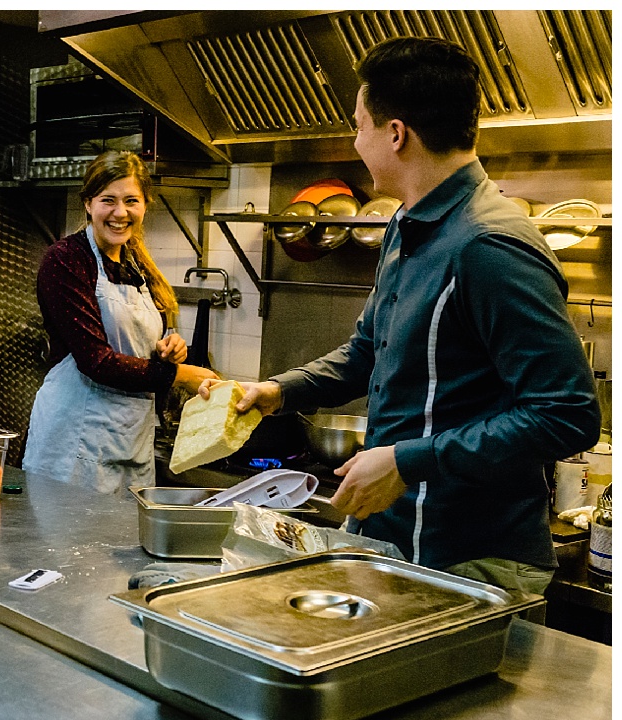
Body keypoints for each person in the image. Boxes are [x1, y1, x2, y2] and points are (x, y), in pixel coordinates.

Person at [202, 37, 599, 595]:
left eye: (360, 125)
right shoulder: (403, 229)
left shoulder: (489, 245)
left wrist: (409, 460)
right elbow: (369, 352)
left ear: (395, 134)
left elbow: (566, 415)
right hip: (393, 546)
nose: (356, 141)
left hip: (471, 562)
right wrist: (277, 391)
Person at [23, 150, 218, 494]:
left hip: (131, 439)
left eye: (131, 201)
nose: (120, 213)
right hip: (74, 444)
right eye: (107, 201)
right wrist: (182, 376)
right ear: (88, 204)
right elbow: (96, 361)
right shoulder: (66, 260)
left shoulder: (138, 265)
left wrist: (169, 350)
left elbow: (137, 344)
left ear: (144, 205)